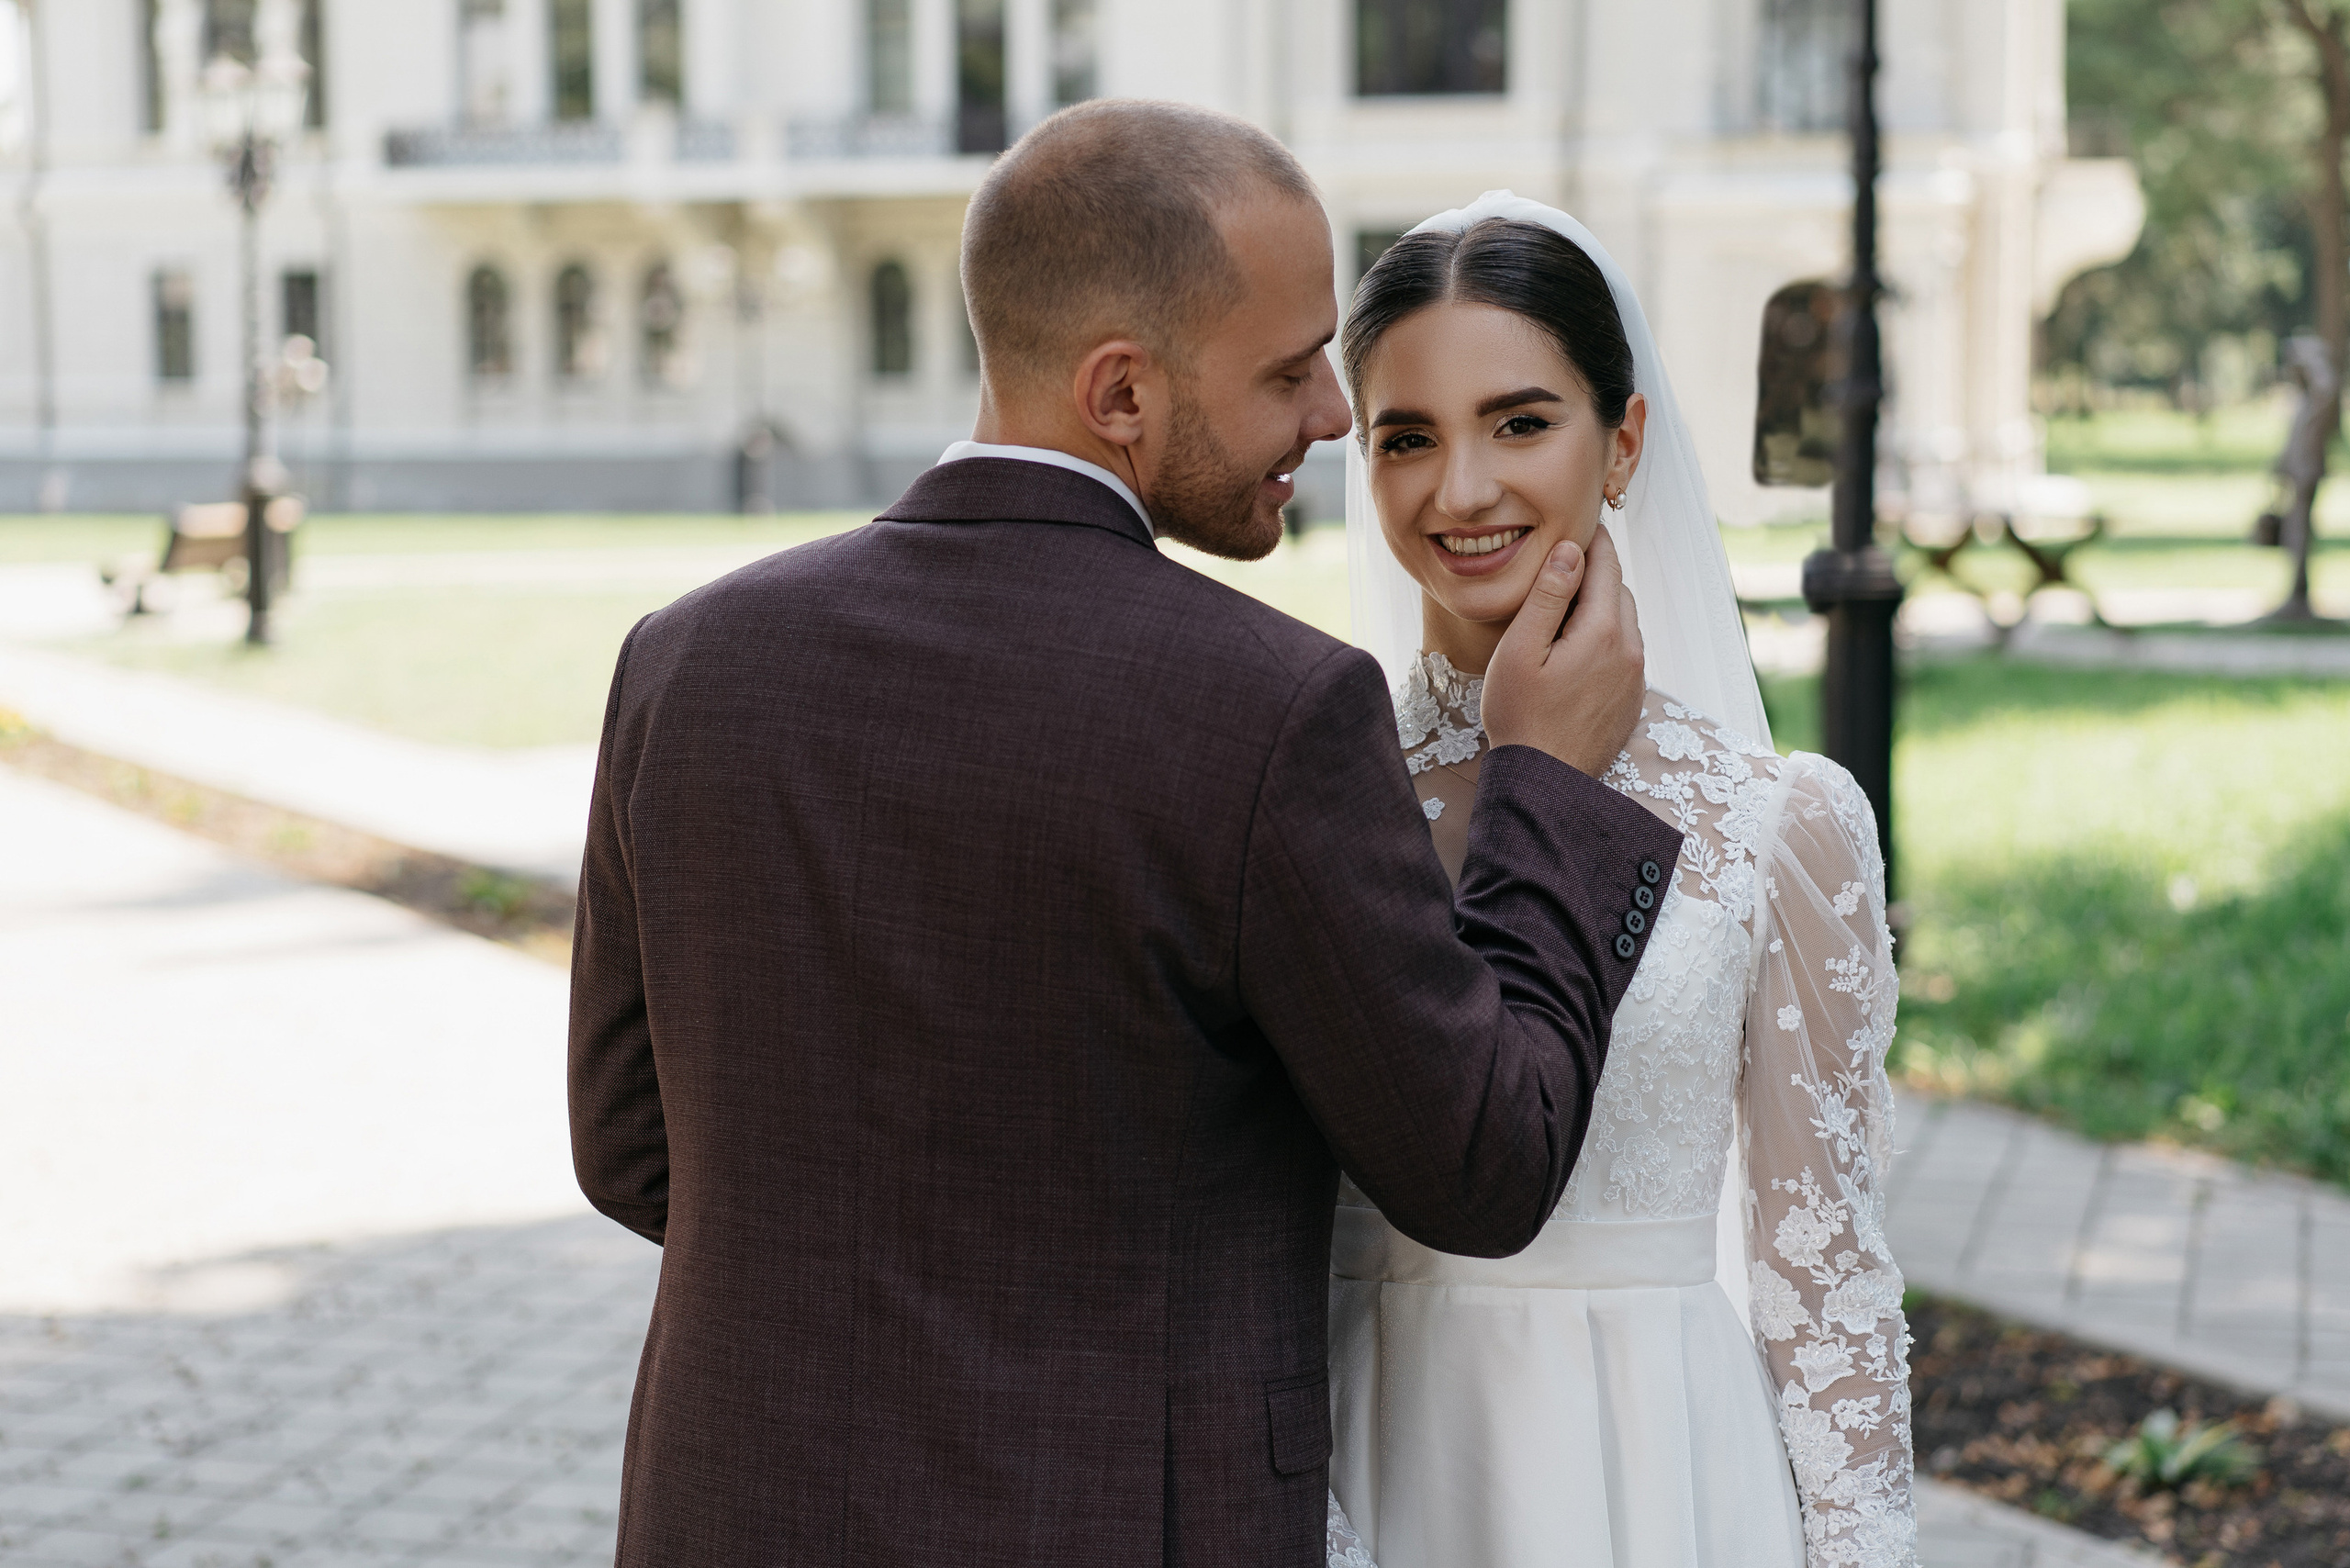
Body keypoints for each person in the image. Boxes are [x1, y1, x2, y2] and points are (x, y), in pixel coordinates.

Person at [566, 108, 1682, 1565]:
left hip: (741, 1510)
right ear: (1121, 393)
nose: (1334, 422)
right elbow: (1483, 1161)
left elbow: (629, 1147)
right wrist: (1548, 782)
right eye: (1291, 375)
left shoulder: (684, 662)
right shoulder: (1272, 713)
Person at [1322, 195, 1915, 1568]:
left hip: (1663, 1475)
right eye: (1407, 438)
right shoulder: (1304, 794)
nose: (1459, 490)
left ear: (1623, 440)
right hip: (1371, 1462)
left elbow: (1823, 1278)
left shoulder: (1783, 822)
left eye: (1520, 423)